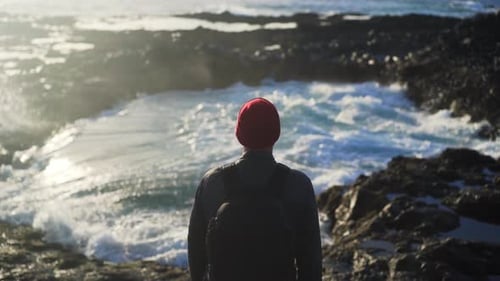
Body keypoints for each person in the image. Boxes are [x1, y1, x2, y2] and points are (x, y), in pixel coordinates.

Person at [188, 97, 322, 281]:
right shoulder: (299, 184)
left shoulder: (212, 182)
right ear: (276, 133)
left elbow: (196, 255)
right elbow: (311, 264)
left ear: (239, 134)